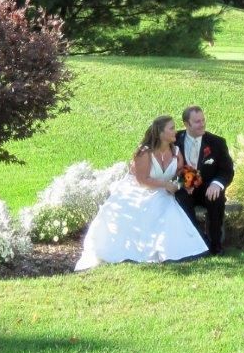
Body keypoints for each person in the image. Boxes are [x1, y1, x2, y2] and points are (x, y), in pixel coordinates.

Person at [74, 116, 208, 271]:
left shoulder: (176, 152)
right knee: (157, 205)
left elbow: (179, 173)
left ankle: (179, 250)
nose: (175, 131)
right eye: (171, 128)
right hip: (138, 190)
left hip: (162, 190)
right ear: (160, 133)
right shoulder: (144, 153)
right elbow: (142, 180)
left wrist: (185, 183)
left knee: (167, 206)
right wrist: (165, 184)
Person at [174, 106, 235, 255]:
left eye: (203, 120)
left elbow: (227, 170)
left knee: (216, 198)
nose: (202, 124)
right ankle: (198, 243)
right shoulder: (174, 140)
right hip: (185, 188)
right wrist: (183, 183)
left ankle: (216, 245)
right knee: (180, 199)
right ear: (186, 124)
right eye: (197, 122)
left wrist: (217, 184)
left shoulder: (217, 142)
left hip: (208, 188)